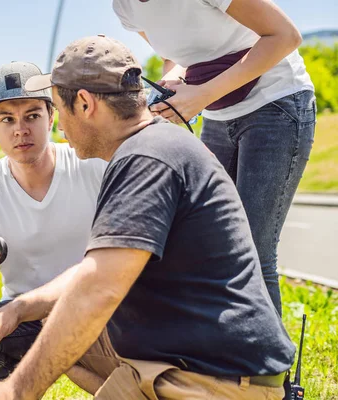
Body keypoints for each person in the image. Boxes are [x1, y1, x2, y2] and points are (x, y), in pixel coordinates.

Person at [0, 35, 295, 400]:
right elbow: (91, 277)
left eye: (55, 110)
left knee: (71, 320)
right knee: (53, 325)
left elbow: (99, 289)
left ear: (83, 104)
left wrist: (14, 391)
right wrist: (19, 308)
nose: (58, 128)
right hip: (192, 357)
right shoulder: (150, 147)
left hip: (213, 381)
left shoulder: (148, 160)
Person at [112, 0, 316, 314]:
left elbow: (285, 36)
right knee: (213, 240)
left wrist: (203, 95)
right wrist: (177, 82)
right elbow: (178, 56)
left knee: (253, 249)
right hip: (218, 116)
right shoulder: (125, 6)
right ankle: (226, 351)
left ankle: (269, 362)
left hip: (277, 102)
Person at [0, 61, 106, 384]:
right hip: (23, 316)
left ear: (52, 117)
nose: (20, 129)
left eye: (32, 115)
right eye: (6, 119)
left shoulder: (91, 166)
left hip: (97, 309)